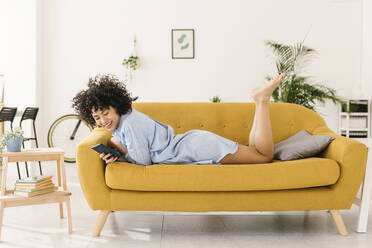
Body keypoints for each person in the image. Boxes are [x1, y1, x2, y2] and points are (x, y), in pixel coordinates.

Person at [72, 73, 286, 166]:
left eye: (105, 113)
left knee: (264, 156)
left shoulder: (129, 125)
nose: (102, 121)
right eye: (97, 117)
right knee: (258, 152)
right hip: (194, 143)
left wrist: (120, 158)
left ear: (115, 105)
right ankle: (259, 102)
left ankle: (262, 101)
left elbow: (143, 161)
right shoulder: (126, 118)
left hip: (196, 148)